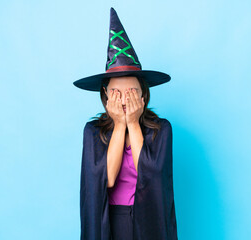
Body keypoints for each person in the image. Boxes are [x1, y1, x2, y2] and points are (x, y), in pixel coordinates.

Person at [73, 7, 178, 240]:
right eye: (116, 92)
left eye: (131, 91)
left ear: (143, 95)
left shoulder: (161, 130)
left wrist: (132, 122)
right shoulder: (93, 132)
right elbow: (106, 179)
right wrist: (120, 125)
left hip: (149, 220)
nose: (123, 99)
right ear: (105, 95)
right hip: (110, 221)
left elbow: (149, 178)